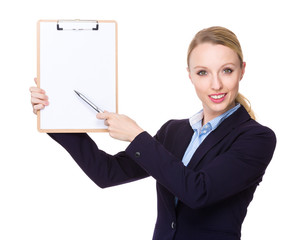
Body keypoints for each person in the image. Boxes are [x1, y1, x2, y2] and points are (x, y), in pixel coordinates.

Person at [30, 26, 276, 240]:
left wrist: (137, 136)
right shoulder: (174, 131)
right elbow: (107, 173)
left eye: (227, 70)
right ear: (189, 75)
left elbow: (198, 192)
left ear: (242, 70)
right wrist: (54, 116)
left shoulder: (256, 138)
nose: (216, 85)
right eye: (203, 72)